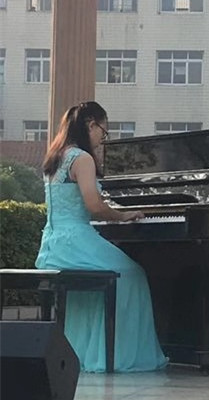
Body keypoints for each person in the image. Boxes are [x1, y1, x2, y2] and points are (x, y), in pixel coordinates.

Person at [35, 101, 168, 373]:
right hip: (76, 242)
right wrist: (123, 215)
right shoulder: (82, 159)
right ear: (90, 124)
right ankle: (115, 356)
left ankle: (83, 352)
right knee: (133, 275)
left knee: (95, 284)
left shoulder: (55, 157)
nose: (102, 139)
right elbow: (94, 205)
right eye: (103, 132)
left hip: (52, 245)